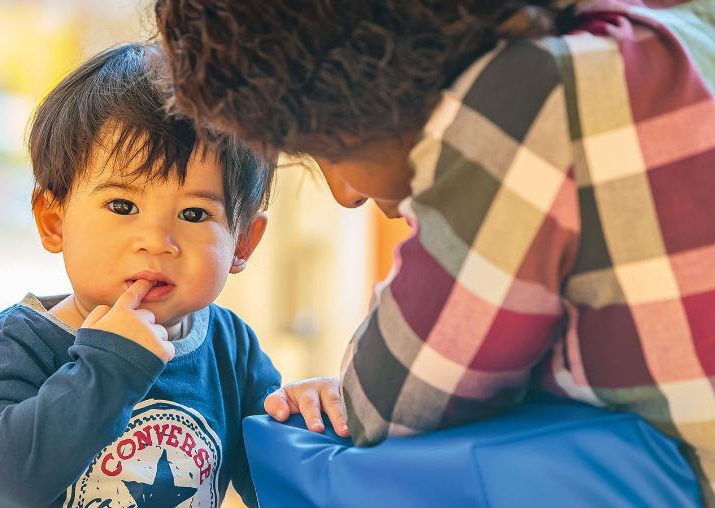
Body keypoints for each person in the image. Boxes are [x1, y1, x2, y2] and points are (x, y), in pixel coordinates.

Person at [154, 0, 715, 502]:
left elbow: (390, 404)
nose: (345, 193)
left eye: (325, 147)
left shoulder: (529, 99)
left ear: (365, 81)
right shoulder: (677, 26)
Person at [0, 42, 343, 508]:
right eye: (122, 206)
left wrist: (308, 423)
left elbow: (272, 484)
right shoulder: (21, 342)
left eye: (192, 214)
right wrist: (110, 366)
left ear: (243, 242)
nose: (157, 240)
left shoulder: (231, 347)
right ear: (54, 221)